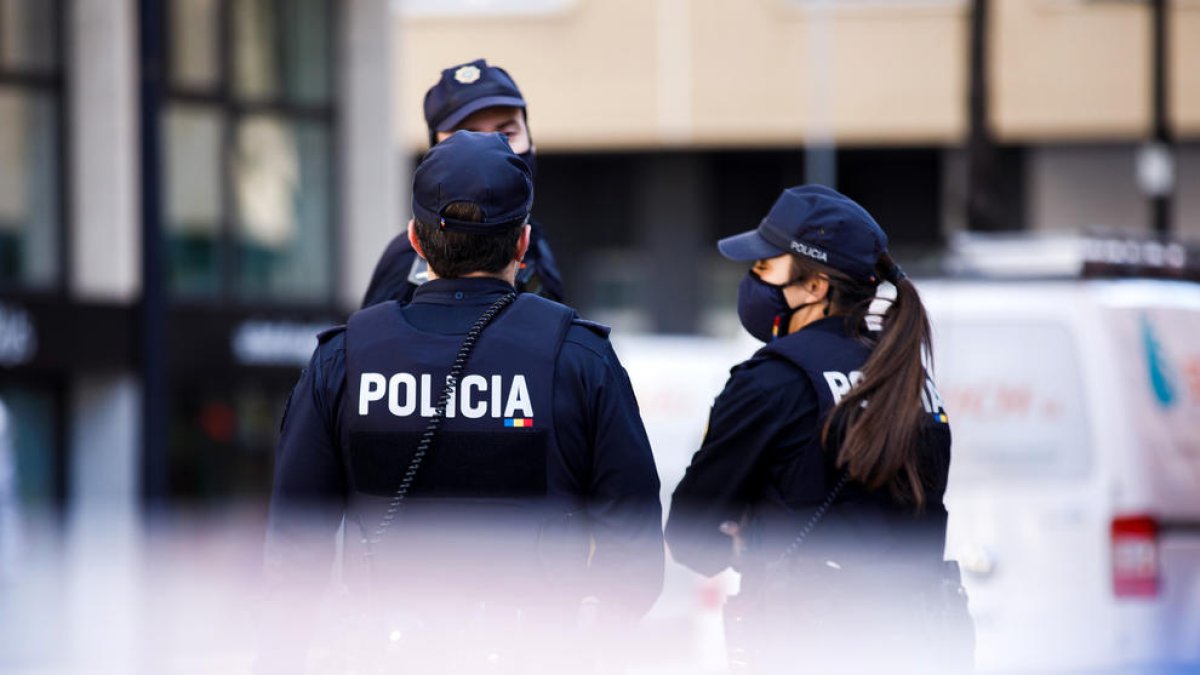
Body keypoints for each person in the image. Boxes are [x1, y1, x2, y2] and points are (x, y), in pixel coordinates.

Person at [263, 131, 663, 673]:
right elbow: (634, 561)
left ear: (416, 240)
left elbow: (292, 558)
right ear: (522, 246)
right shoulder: (580, 359)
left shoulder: (343, 360)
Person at [665, 185, 971, 674]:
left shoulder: (772, 379)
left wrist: (742, 535)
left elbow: (690, 537)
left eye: (766, 266)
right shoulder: (914, 382)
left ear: (815, 287)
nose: (752, 279)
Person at [361, 58, 565, 308]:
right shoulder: (408, 259)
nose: (493, 147)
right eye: (468, 135)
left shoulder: (537, 241)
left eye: (506, 134)